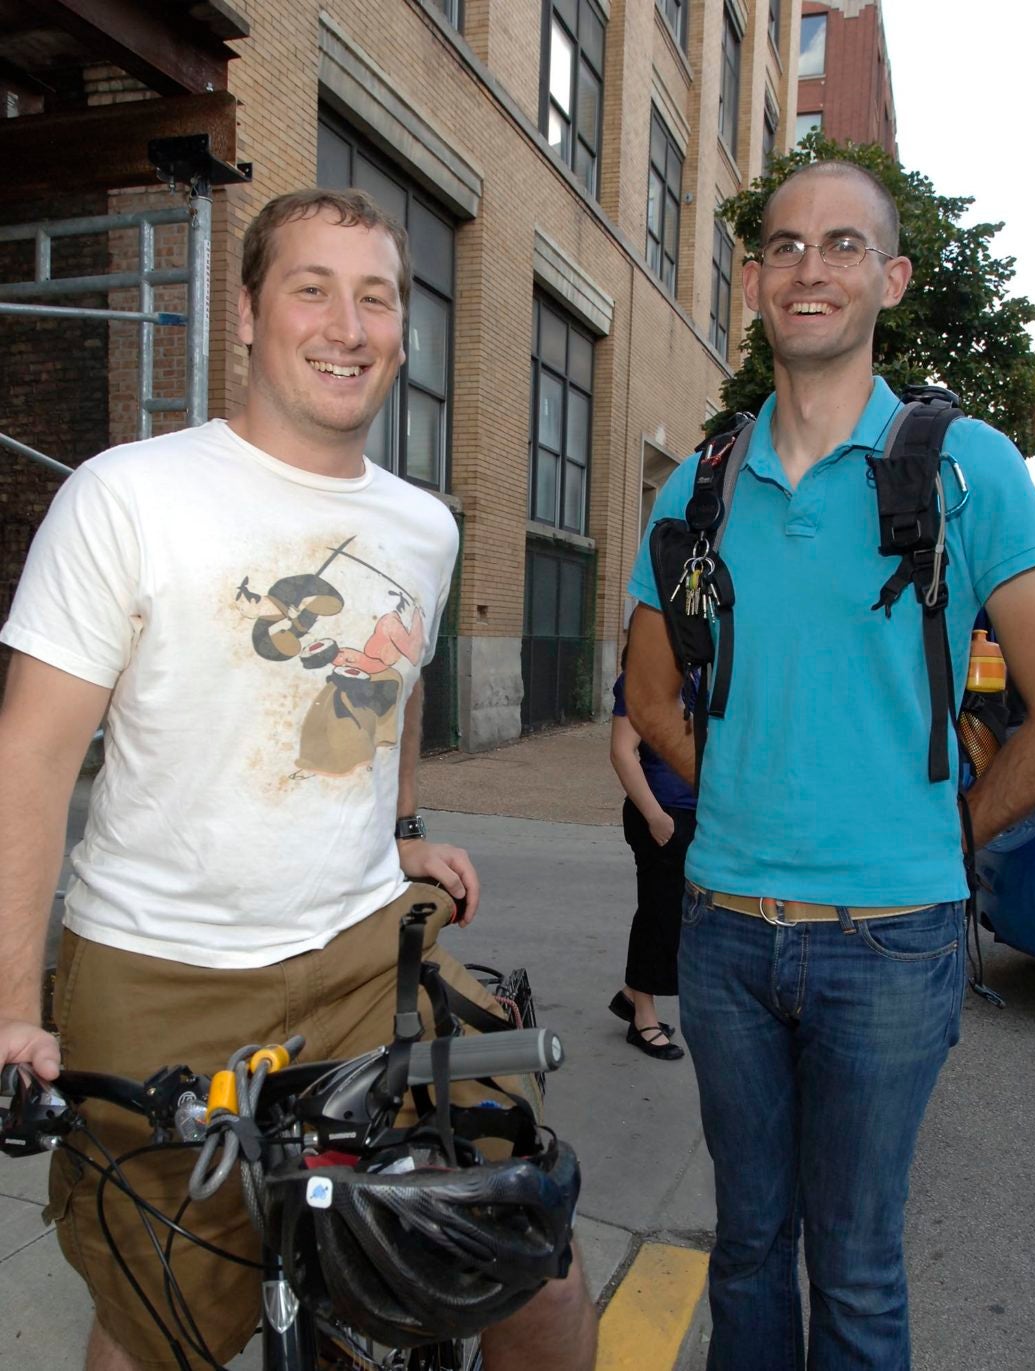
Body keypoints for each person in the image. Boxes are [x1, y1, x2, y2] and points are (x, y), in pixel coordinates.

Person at [0, 188, 597, 1371]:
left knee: (526, 1266)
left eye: (376, 296)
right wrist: (16, 1005)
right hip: (164, 972)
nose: (347, 323)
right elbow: (29, 759)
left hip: (363, 956)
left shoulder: (424, 525)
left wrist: (402, 828)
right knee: (162, 1322)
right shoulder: (130, 494)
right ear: (246, 315)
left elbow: (397, 688)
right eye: (310, 288)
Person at [624, 160, 1035, 1370]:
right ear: (756, 282)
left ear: (887, 279)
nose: (807, 267)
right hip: (723, 933)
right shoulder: (700, 483)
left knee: (859, 1265)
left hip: (892, 943)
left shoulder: (962, 464)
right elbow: (645, 693)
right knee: (744, 1245)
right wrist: (731, 796)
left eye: (840, 245)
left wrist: (951, 829)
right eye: (783, 246)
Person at [607, 650, 694, 1061]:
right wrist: (656, 817)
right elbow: (622, 752)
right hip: (659, 815)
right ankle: (642, 1017)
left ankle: (631, 993)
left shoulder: (696, 677)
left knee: (677, 918)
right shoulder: (642, 680)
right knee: (658, 916)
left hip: (693, 815)